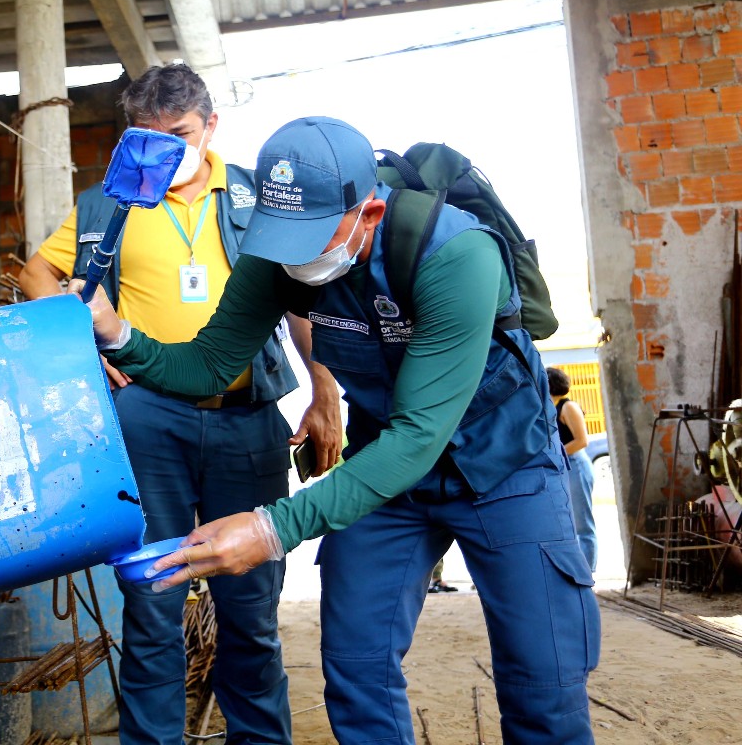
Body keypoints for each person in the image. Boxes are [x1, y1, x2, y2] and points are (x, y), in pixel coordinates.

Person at [74, 116, 601, 744]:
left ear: (369, 214)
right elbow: (211, 364)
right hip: (387, 468)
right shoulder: (274, 255)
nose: (292, 252)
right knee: (356, 666)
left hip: (502, 462)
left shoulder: (456, 253)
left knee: (542, 680)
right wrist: (119, 336)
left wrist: (271, 528)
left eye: (310, 234)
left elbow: (420, 434)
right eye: (279, 232)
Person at [19, 67, 341, 745]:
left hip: (246, 415)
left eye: (181, 135)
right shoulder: (111, 203)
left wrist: (323, 388)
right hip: (146, 417)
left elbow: (301, 298)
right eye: (150, 138)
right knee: (153, 600)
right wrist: (86, 345)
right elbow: (37, 272)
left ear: (211, 127)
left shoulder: (260, 196)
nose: (167, 150)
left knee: (250, 608)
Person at [548, 366, 598, 571]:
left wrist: (555, 456)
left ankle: (588, 571)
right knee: (568, 522)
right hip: (565, 466)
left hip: (576, 465)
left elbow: (581, 441)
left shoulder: (569, 407)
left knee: (583, 523)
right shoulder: (552, 406)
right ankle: (576, 569)